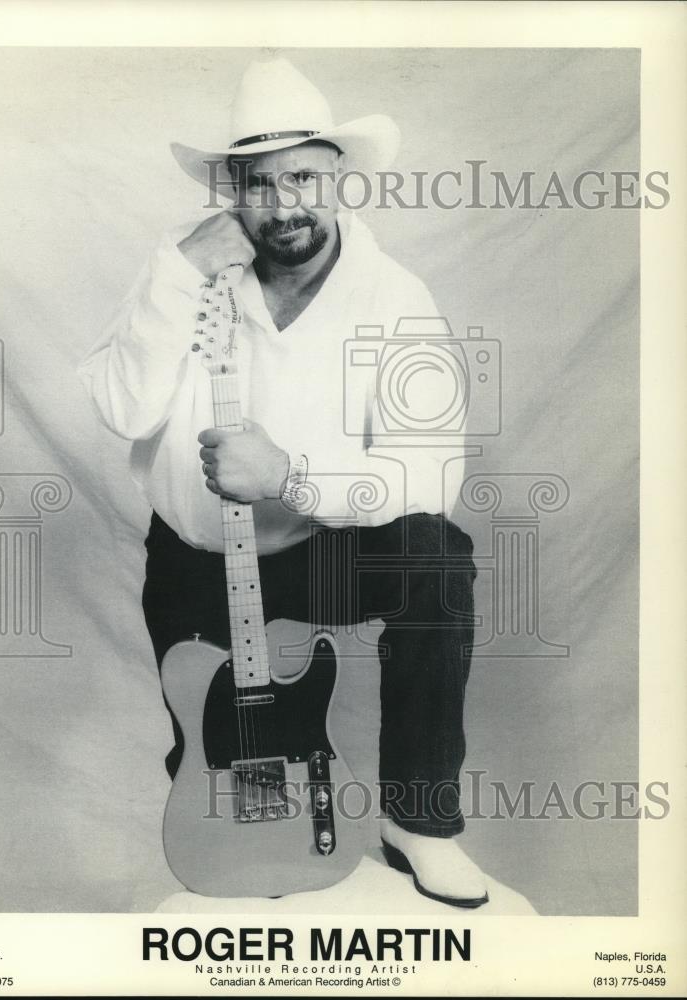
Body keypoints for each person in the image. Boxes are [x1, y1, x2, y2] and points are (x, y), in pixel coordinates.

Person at [78, 56, 488, 907]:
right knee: (226, 781)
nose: (285, 203)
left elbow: (431, 469)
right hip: (198, 561)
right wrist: (177, 270)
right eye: (259, 183)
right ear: (229, 189)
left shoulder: (395, 299)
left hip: (317, 555)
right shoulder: (185, 277)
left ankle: (418, 820)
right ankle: (252, 855)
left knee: (435, 559)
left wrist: (291, 476)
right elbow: (122, 408)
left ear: (336, 177)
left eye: (302, 174)